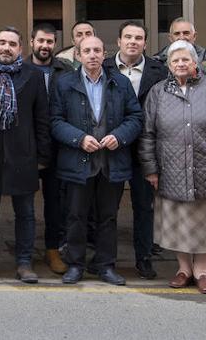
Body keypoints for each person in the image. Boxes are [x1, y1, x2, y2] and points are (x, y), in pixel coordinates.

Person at [139, 40, 206, 294]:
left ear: (195, 62)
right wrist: (151, 168)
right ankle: (183, 269)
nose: (181, 64)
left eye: (186, 59)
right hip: (170, 167)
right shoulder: (158, 92)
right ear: (169, 65)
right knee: (178, 221)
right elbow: (147, 133)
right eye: (175, 60)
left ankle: (203, 270)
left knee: (205, 220)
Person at [50, 36, 142, 286]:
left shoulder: (120, 83)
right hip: (77, 161)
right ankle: (76, 265)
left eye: (97, 50)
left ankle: (105, 265)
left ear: (104, 54)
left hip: (111, 162)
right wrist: (78, 139)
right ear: (77, 55)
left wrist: (119, 136)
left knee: (108, 217)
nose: (92, 55)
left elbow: (135, 117)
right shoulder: (64, 83)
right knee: (76, 216)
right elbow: (55, 121)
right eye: (86, 51)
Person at [0, 27, 51, 283]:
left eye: (13, 44)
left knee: (26, 213)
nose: (7, 47)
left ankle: (24, 262)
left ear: (21, 48)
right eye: (2, 43)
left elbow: (42, 118)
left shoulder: (33, 75)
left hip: (24, 155)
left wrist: (42, 155)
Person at [102, 20, 168, 280]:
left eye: (138, 38)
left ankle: (144, 259)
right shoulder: (104, 67)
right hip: (112, 147)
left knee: (144, 207)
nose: (132, 41)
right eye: (128, 37)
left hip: (146, 149)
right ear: (118, 41)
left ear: (145, 43)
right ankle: (106, 259)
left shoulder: (159, 71)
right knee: (108, 207)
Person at [26, 23, 72, 275]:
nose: (45, 46)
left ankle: (52, 249)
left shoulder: (64, 70)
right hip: (28, 147)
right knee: (25, 204)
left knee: (56, 203)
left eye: (50, 42)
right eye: (41, 41)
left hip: (57, 147)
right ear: (32, 42)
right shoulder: (20, 69)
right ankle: (25, 251)